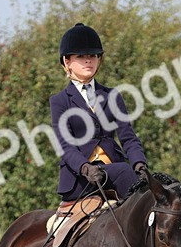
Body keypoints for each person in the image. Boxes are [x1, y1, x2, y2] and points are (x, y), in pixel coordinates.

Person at [49, 22, 151, 204]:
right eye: (81, 56)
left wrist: (139, 163)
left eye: (93, 55)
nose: (88, 60)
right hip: (81, 178)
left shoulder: (112, 96)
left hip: (114, 172)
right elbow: (65, 146)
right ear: (67, 62)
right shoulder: (59, 101)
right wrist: (85, 167)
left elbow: (128, 138)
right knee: (125, 172)